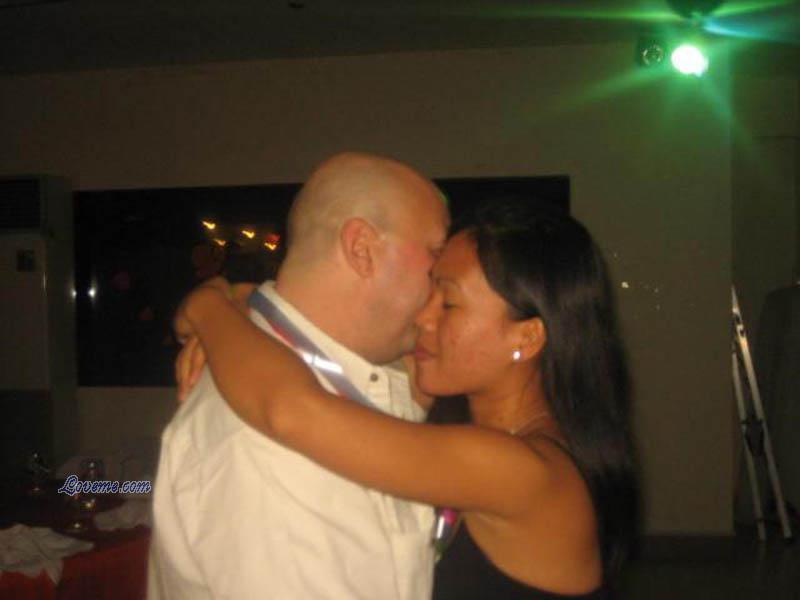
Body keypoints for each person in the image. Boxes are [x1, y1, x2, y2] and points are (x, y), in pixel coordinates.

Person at [175, 203, 639, 598]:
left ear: (527, 337)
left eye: (449, 303)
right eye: (429, 289)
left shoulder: (522, 471)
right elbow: (311, 337)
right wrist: (239, 305)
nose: (423, 316)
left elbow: (289, 411)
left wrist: (206, 309)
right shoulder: (476, 416)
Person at [147, 152, 450, 599]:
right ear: (361, 248)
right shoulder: (266, 451)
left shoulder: (367, 373)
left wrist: (217, 306)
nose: (442, 282)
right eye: (436, 254)